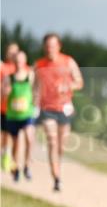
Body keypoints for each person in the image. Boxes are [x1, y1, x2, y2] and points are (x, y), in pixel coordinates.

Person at [33, 34, 83, 191]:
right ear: (44, 47)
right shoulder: (39, 65)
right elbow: (35, 88)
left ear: (59, 46)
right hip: (47, 109)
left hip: (64, 108)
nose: (50, 49)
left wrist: (68, 87)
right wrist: (34, 106)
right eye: (47, 46)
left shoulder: (68, 61)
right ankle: (56, 178)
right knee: (52, 141)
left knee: (61, 146)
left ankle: (57, 167)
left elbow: (79, 82)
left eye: (53, 45)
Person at [1, 51, 35, 181]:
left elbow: (36, 90)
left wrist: (36, 103)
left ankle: (27, 165)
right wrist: (5, 92)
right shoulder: (9, 77)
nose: (19, 64)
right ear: (14, 63)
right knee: (15, 144)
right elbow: (3, 95)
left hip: (27, 114)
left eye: (21, 61)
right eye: (17, 61)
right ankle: (15, 168)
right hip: (13, 115)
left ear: (25, 62)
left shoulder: (30, 76)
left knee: (29, 137)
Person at [1, 42, 20, 173]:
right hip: (2, 107)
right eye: (10, 51)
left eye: (15, 52)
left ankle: (13, 162)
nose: (12, 54)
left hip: (17, 110)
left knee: (15, 138)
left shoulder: (22, 68)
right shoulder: (2, 67)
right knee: (4, 136)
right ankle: (5, 158)